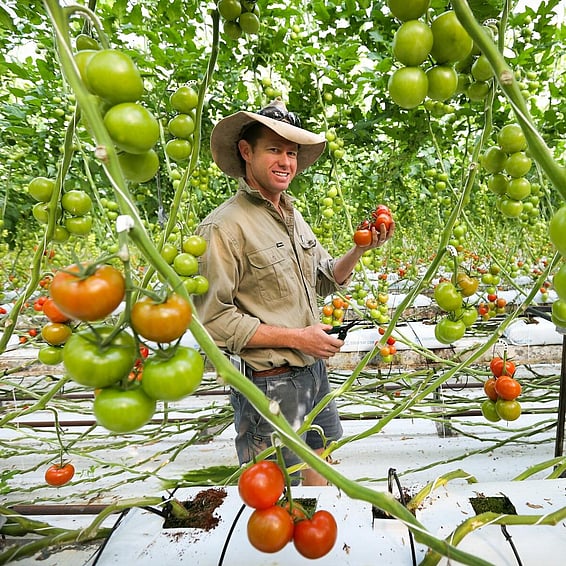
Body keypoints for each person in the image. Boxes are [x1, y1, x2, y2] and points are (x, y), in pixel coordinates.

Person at [193, 99, 395, 485]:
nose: (286, 161)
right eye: (274, 150)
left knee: (321, 464)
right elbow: (214, 322)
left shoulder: (291, 215)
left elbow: (324, 278)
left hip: (311, 372)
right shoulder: (223, 228)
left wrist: (359, 249)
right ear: (246, 151)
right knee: (278, 492)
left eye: (291, 152)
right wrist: (297, 337)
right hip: (270, 381)